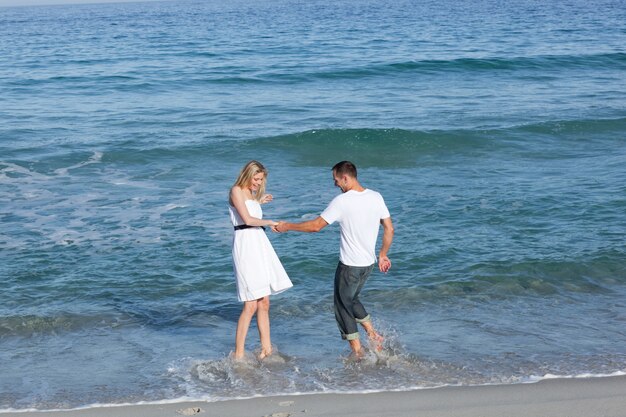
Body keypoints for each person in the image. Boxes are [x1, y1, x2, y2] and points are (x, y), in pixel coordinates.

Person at [275, 161, 394, 356]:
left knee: (342, 306)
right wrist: (383, 254)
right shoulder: (376, 197)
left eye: (336, 181)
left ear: (345, 178)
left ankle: (357, 351)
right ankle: (373, 334)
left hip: (349, 266)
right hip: (368, 264)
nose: (336, 185)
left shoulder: (342, 201)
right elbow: (389, 228)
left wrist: (287, 226)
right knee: (352, 299)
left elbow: (315, 226)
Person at [229, 160, 293, 360]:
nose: (257, 183)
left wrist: (258, 201)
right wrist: (271, 221)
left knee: (264, 301)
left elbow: (250, 210)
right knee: (250, 303)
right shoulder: (236, 190)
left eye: (261, 180)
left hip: (259, 243)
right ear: (247, 174)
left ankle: (267, 349)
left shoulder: (251, 194)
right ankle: (238, 354)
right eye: (256, 179)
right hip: (246, 245)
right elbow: (247, 220)